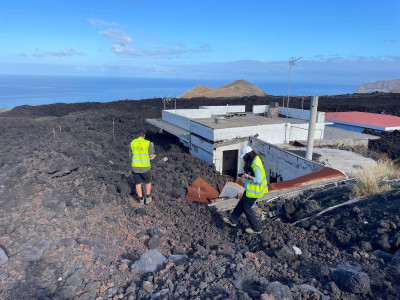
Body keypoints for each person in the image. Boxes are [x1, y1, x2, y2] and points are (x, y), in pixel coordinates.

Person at [223, 145, 268, 234]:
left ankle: (257, 228)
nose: (243, 158)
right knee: (242, 203)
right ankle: (232, 219)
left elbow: (258, 180)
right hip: (250, 190)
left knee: (246, 208)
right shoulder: (255, 159)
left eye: (244, 156)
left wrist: (247, 176)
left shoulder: (256, 165)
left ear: (247, 155)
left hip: (254, 191)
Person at [130, 132, 155, 205]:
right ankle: (147, 198)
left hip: (135, 168)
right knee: (148, 182)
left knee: (138, 184)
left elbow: (131, 154)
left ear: (137, 135)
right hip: (145, 168)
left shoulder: (132, 143)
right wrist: (152, 156)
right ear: (144, 135)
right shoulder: (147, 143)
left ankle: (141, 200)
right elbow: (151, 156)